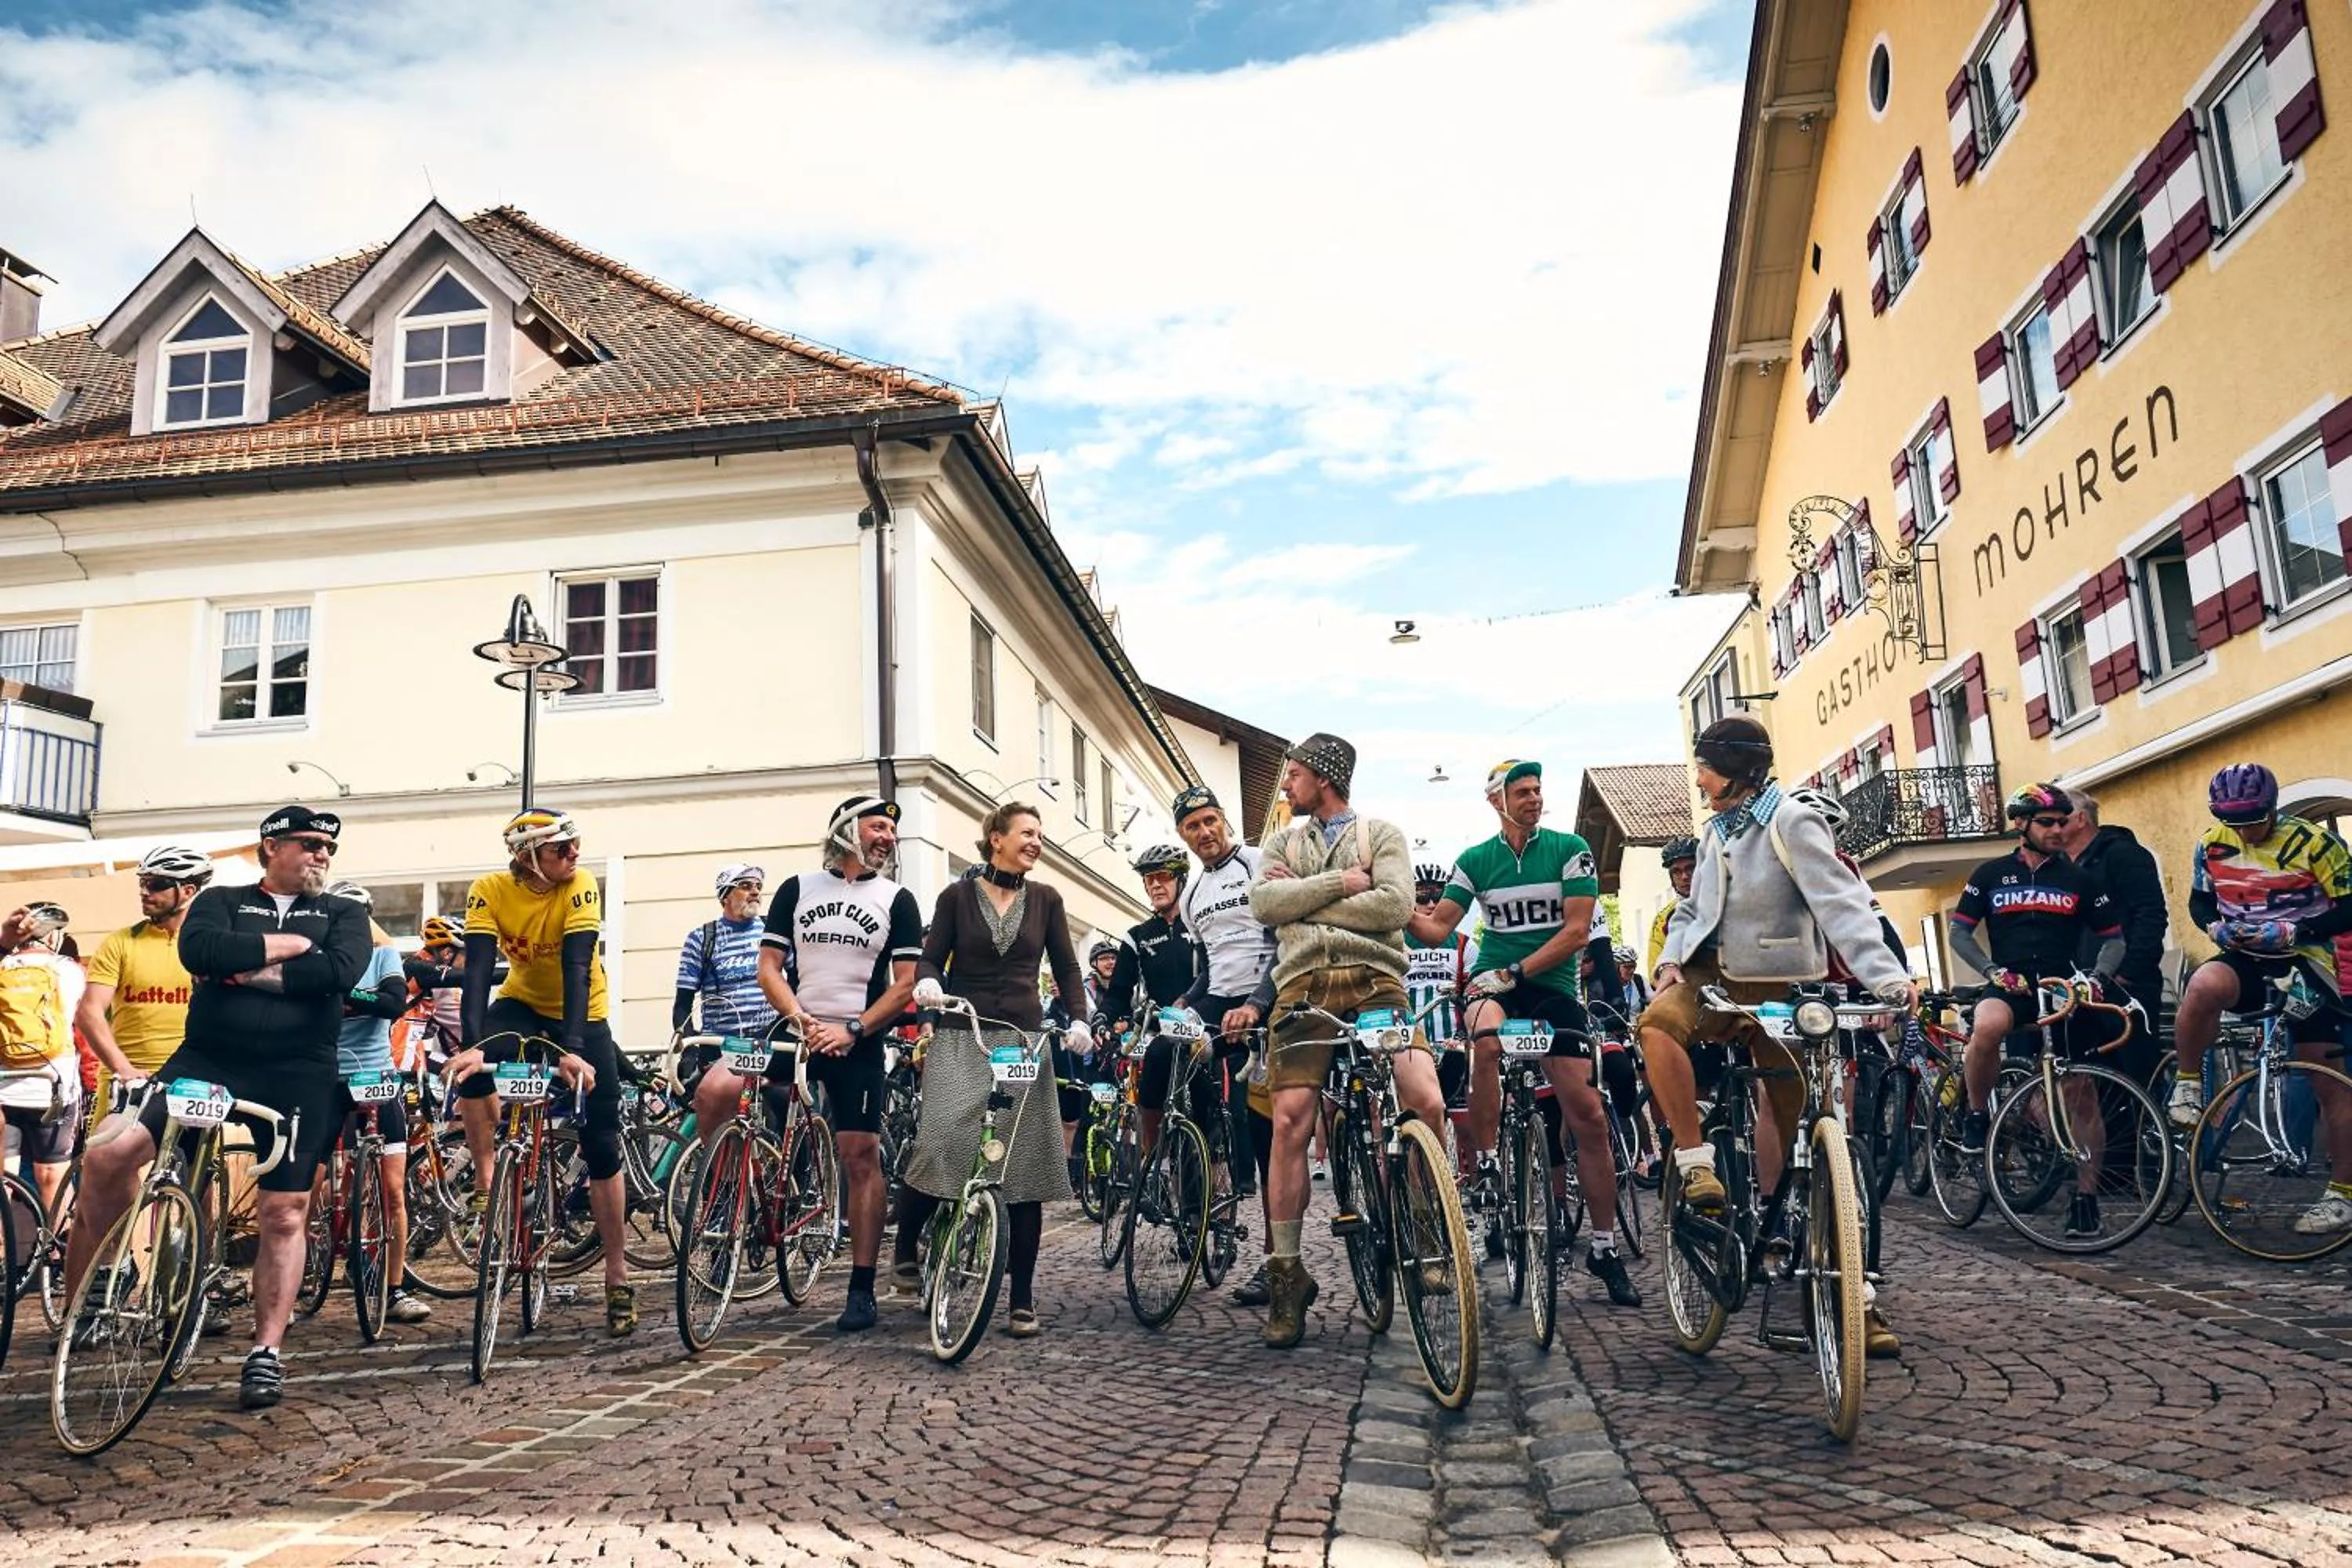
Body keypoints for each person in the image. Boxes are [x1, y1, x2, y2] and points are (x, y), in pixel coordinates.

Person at [64, 805, 369, 1410]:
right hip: (208, 1059)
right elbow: (200, 953)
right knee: (110, 1156)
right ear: (271, 847)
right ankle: (99, 1288)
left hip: (298, 1070)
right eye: (308, 845)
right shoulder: (220, 899)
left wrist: (245, 970)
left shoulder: (344, 912)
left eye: (328, 848)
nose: (322, 856)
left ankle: (265, 1354)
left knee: (285, 1212)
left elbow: (339, 972)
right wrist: (290, 947)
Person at [1642, 719, 1911, 1356]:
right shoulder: (1715, 831)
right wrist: (1671, 962)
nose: (1699, 778)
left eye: (1705, 766)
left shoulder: (1792, 821)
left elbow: (1841, 904)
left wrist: (1891, 982)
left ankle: (1858, 1301)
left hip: (1784, 990)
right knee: (1655, 1027)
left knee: (1818, 1145)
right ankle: (1696, 1164)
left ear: (1734, 768)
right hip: (1713, 984)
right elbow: (1690, 912)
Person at [1408, 760, 1640, 1308]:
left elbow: (1578, 931)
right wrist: (1389, 901)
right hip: (1495, 984)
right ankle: (1488, 1162)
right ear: (1497, 801)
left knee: (1586, 1117)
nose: (1535, 798)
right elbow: (1437, 926)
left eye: (1538, 790)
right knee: (1484, 1039)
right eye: (1523, 792)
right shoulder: (1476, 861)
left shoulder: (1568, 848)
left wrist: (1518, 971)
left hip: (1550, 986)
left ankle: (1604, 1248)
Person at [1251, 733, 1447, 1348]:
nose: (1286, 786)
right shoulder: (1281, 842)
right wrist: (1342, 884)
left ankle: (1425, 1228)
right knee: (1290, 1121)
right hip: (1303, 989)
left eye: (1295, 775)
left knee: (1427, 1099)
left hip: (1374, 982)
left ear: (1326, 777)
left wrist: (1301, 905)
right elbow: (1263, 903)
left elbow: (1394, 908)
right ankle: (1287, 1273)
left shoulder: (1381, 834)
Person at [708, 796, 923, 1333]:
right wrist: (801, 1019)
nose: (887, 837)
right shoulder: (798, 889)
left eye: (891, 830)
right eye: (877, 826)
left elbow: (904, 987)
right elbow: (769, 967)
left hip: (859, 1035)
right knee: (715, 1089)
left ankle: (861, 1286)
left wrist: (852, 1029)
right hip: (798, 1025)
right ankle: (735, 1196)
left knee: (860, 1153)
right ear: (847, 830)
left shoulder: (897, 899)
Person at [901, 801, 1089, 1338]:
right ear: (995, 838)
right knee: (939, 1144)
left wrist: (1079, 1017)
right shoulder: (956, 897)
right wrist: (930, 983)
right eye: (1027, 833)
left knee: (1023, 1169)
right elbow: (931, 957)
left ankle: (1022, 1298)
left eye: (1040, 834)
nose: (1036, 841)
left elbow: (1068, 966)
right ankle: (906, 1247)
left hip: (1025, 1043)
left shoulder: (1047, 900)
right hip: (963, 1037)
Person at [440, 808, 628, 1334]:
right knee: (470, 1071)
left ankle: (617, 1276)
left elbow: (576, 968)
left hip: (581, 1012)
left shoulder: (580, 884)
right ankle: (486, 1177)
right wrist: (475, 1046)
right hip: (522, 1004)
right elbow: (476, 970)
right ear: (526, 858)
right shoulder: (490, 889)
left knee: (602, 1145)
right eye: (559, 850)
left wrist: (571, 1050)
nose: (573, 855)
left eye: (575, 844)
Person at [2167, 764, 2352, 1231]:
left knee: (2328, 1082)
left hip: (2307, 962)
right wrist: (2214, 927)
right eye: (2235, 821)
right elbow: (2200, 901)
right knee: (2204, 986)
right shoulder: (2212, 844)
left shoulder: (2315, 843)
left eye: (2254, 818)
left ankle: (2342, 1195)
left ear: (2271, 807)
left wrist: (2299, 928)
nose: (2246, 830)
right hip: (2247, 953)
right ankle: (2188, 1082)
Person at [1948, 785, 2127, 1243]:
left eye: (2064, 822)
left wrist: (2097, 977)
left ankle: (2085, 1199)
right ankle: (1975, 1114)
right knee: (1986, 1028)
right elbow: (1960, 935)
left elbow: (2114, 939)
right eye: (2047, 823)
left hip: (2063, 986)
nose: (2058, 830)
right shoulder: (1990, 874)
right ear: (2021, 825)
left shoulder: (2080, 880)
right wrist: (1992, 970)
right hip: (2010, 983)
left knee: (2082, 1094)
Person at [1168, 786, 1279, 1298]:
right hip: (1219, 1001)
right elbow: (1211, 967)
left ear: (1224, 821)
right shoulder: (1191, 896)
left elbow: (1285, 944)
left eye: (1210, 821)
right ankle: (1196, 1193)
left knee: (1268, 1138)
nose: (1204, 832)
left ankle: (1278, 1261)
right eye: (1193, 826)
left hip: (1269, 996)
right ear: (1183, 836)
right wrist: (1186, 1004)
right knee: (1164, 1055)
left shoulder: (1261, 862)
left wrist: (1257, 1003)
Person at [322, 883, 432, 1326]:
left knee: (391, 1190)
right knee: (308, 1187)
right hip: (328, 1078)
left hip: (378, 1077)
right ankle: (306, 1274)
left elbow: (391, 1003)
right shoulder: (317, 955)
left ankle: (395, 1287)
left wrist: (342, 997)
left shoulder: (384, 956)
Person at [78, 843, 209, 1095]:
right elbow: (89, 1012)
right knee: (111, 1137)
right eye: (142, 883)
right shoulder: (120, 942)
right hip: (128, 1079)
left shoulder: (208, 944)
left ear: (188, 890)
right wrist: (122, 1068)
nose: (144, 891)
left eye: (156, 884)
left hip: (191, 1081)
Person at [2056, 791, 2168, 1080]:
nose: (2053, 826)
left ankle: (2152, 1125)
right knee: (2094, 1079)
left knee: (2138, 1074)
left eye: (2060, 818)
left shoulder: (2122, 854)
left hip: (2125, 986)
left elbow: (2150, 915)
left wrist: (2128, 973)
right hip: (2078, 988)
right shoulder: (2059, 867)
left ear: (2081, 819)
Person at [1, 902, 85, 1218]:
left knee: (4, 1179)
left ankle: (5, 1259)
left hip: (4, 1088)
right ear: (53, 937)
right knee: (53, 1176)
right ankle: (56, 1255)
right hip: (53, 1087)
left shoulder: (2, 967)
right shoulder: (70, 970)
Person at [673, 862, 776, 1040]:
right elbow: (682, 1004)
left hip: (769, 1042)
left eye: (758, 886)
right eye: (745, 886)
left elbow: (795, 980)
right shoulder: (701, 938)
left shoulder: (772, 930)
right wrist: (688, 1049)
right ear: (725, 896)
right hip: (719, 1044)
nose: (755, 892)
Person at [1405, 862, 1475, 1109]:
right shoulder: (1391, 940)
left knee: (1464, 1123)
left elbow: (1474, 995)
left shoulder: (1465, 944)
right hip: (1407, 1043)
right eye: (1423, 895)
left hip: (1452, 1045)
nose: (1432, 904)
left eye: (1438, 895)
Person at [1646, 836, 1699, 978]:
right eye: (1677, 871)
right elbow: (1655, 973)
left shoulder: (1724, 903)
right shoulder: (1663, 919)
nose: (1684, 877)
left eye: (1690, 868)